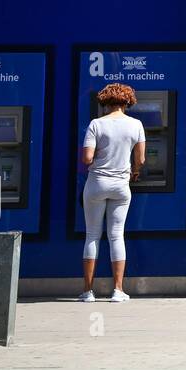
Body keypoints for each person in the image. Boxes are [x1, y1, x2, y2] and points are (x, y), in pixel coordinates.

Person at [78, 82, 145, 302]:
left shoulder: (96, 124)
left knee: (92, 236)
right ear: (127, 102)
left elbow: (87, 158)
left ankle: (88, 292)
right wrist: (134, 172)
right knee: (117, 236)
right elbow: (141, 159)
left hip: (97, 183)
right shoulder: (136, 125)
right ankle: (118, 290)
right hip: (121, 185)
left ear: (105, 102)